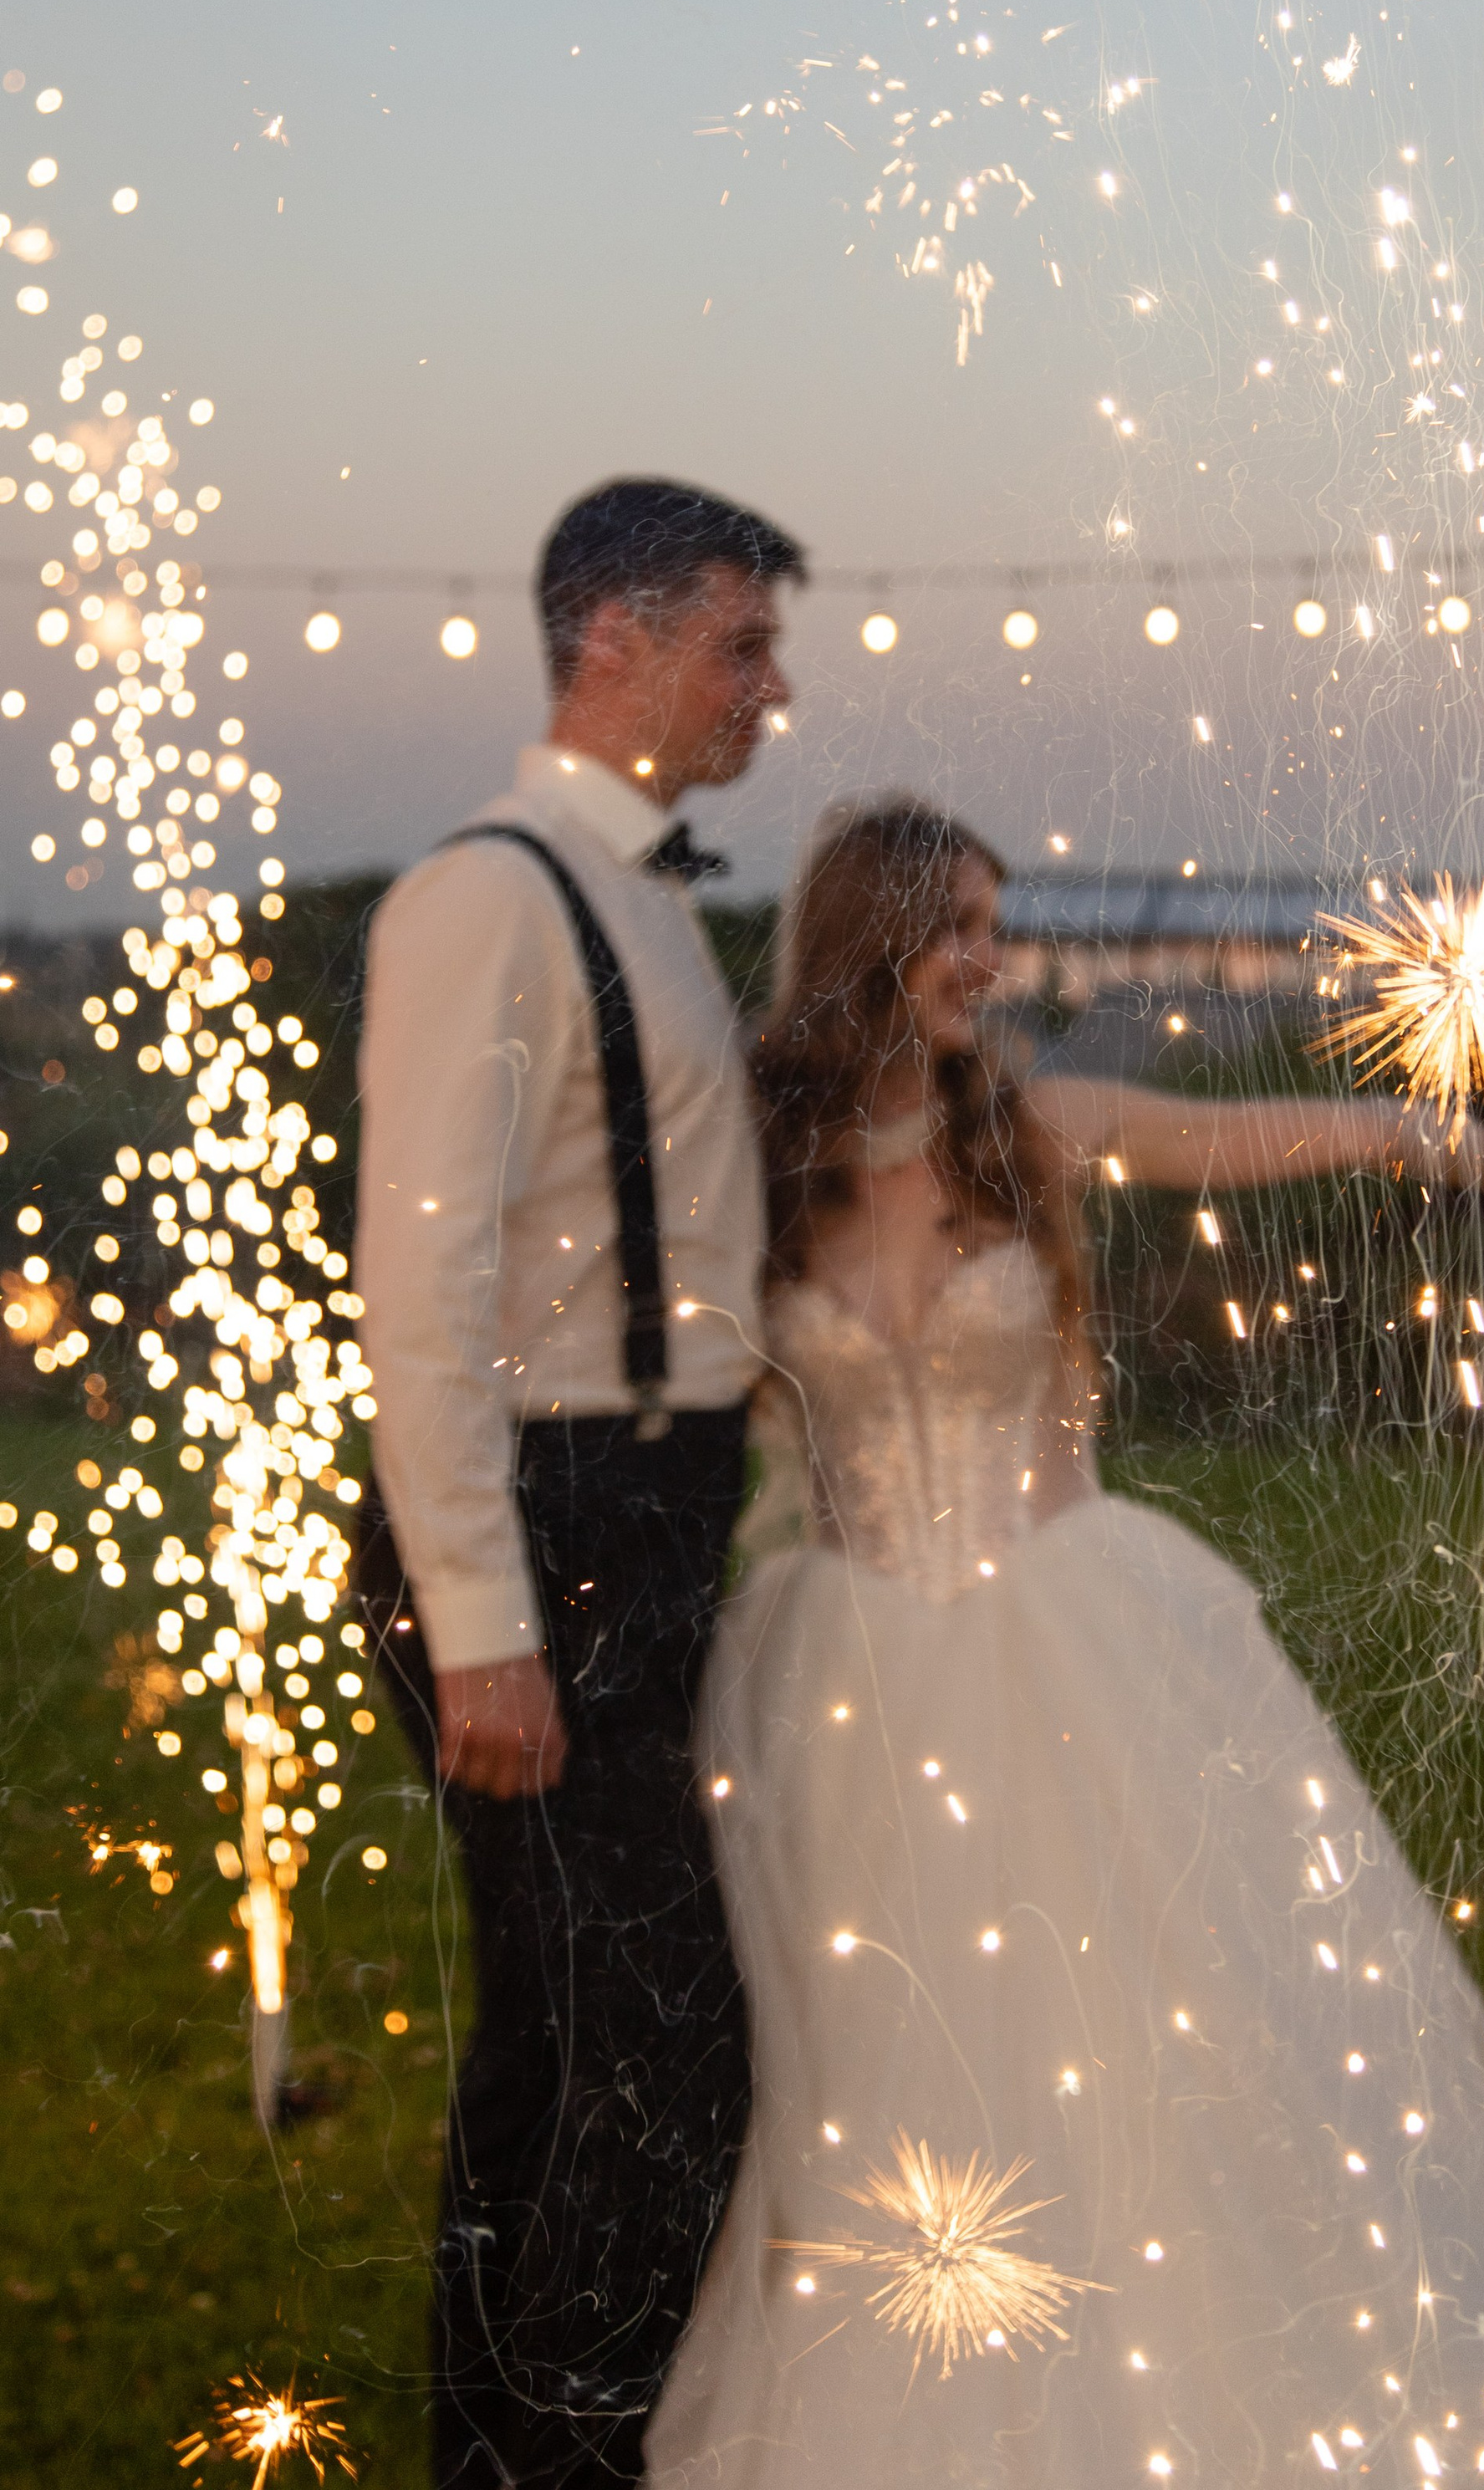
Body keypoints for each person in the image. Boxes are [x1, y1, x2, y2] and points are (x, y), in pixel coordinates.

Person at [645, 799, 1484, 2489]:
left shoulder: (1033, 1130)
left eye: (994, 923)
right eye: (955, 927)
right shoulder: (756, 1174)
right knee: (894, 2080)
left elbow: (1352, 1134)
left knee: (1166, 2046)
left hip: (1076, 1650)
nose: (987, 960)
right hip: (849, 1683)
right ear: (865, 944)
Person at [353, 477, 803, 2488]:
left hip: (646, 1508)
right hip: (549, 1531)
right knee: (669, 2056)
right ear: (609, 641)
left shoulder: (637, 896)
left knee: (558, 2043)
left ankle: (486, 2448)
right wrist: (483, 1632)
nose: (768, 690)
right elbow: (422, 1297)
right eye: (739, 644)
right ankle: (559, 2466)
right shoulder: (488, 896)